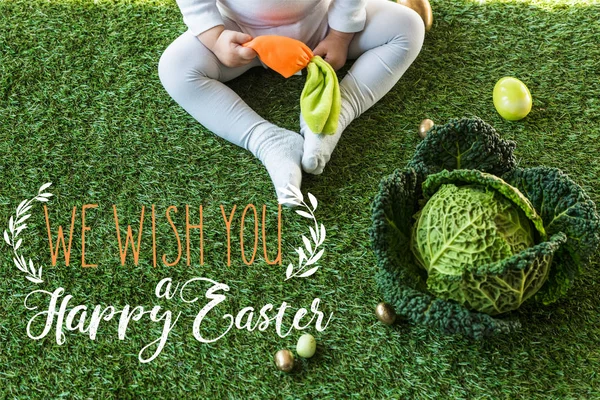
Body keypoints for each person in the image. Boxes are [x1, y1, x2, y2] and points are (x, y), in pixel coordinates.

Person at [159, 0, 425, 204]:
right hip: (243, 35)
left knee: (408, 26)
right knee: (175, 68)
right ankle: (267, 140)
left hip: (322, 22)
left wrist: (341, 35)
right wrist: (215, 38)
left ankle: (338, 109)